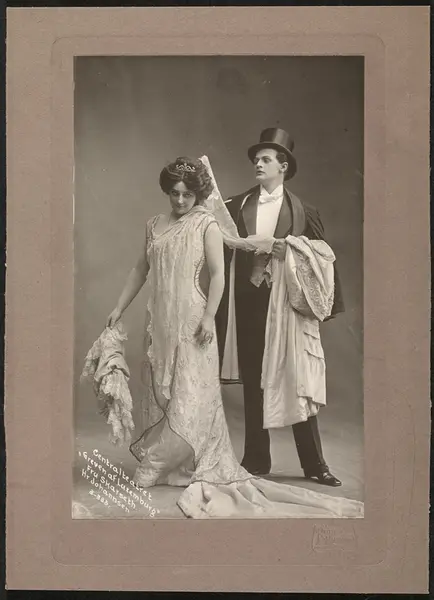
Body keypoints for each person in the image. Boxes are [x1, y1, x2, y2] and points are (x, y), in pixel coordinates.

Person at [104, 155, 362, 518]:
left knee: (204, 390)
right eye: (174, 193)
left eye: (187, 194)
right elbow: (141, 268)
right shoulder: (170, 221)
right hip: (168, 317)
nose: (180, 200)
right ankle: (186, 460)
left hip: (227, 313)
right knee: (166, 388)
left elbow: (222, 272)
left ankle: (307, 463)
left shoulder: (212, 222)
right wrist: (119, 306)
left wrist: (210, 317)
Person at [216, 128, 344, 486]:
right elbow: (217, 249)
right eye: (256, 159)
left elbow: (322, 258)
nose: (258, 164)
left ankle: (315, 464)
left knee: (299, 379)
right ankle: (256, 460)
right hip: (249, 302)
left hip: (287, 305)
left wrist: (283, 248)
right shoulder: (235, 205)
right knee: (254, 380)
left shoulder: (304, 211)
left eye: (266, 159)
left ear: (283, 166)